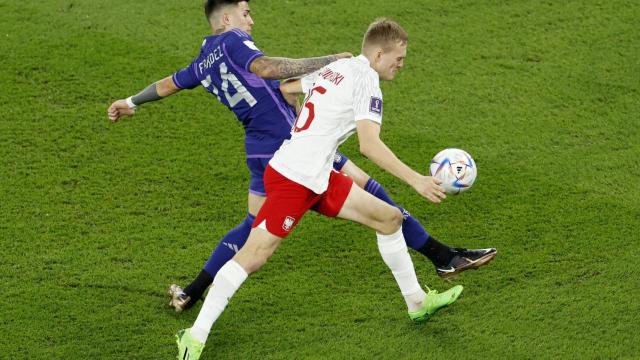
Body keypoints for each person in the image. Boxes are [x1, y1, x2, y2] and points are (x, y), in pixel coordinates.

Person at [107, 0, 496, 315]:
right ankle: (442, 257)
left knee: (253, 223)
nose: (251, 20)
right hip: (288, 144)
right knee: (369, 190)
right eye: (246, 12)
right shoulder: (232, 41)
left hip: (258, 147)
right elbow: (270, 70)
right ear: (225, 19)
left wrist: (130, 102)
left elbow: (168, 84)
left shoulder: (201, 62)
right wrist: (327, 60)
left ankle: (192, 290)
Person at [176, 18, 473, 359]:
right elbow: (369, 146)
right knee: (255, 255)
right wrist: (416, 180)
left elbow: (288, 87)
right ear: (378, 55)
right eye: (399, 58)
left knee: (389, 218)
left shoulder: (341, 66)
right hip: (294, 178)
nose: (402, 65)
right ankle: (193, 336)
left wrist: (307, 131)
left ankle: (417, 302)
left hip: (315, 174)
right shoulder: (366, 81)